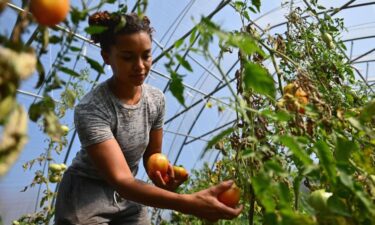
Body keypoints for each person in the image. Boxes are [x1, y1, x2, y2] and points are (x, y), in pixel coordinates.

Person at [54, 11, 243, 225]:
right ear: (106, 56)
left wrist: (161, 176)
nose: (140, 66)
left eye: (146, 55)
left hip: (127, 199)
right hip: (85, 200)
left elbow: (152, 155)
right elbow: (122, 180)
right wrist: (189, 203)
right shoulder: (92, 109)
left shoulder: (155, 100)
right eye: (127, 57)